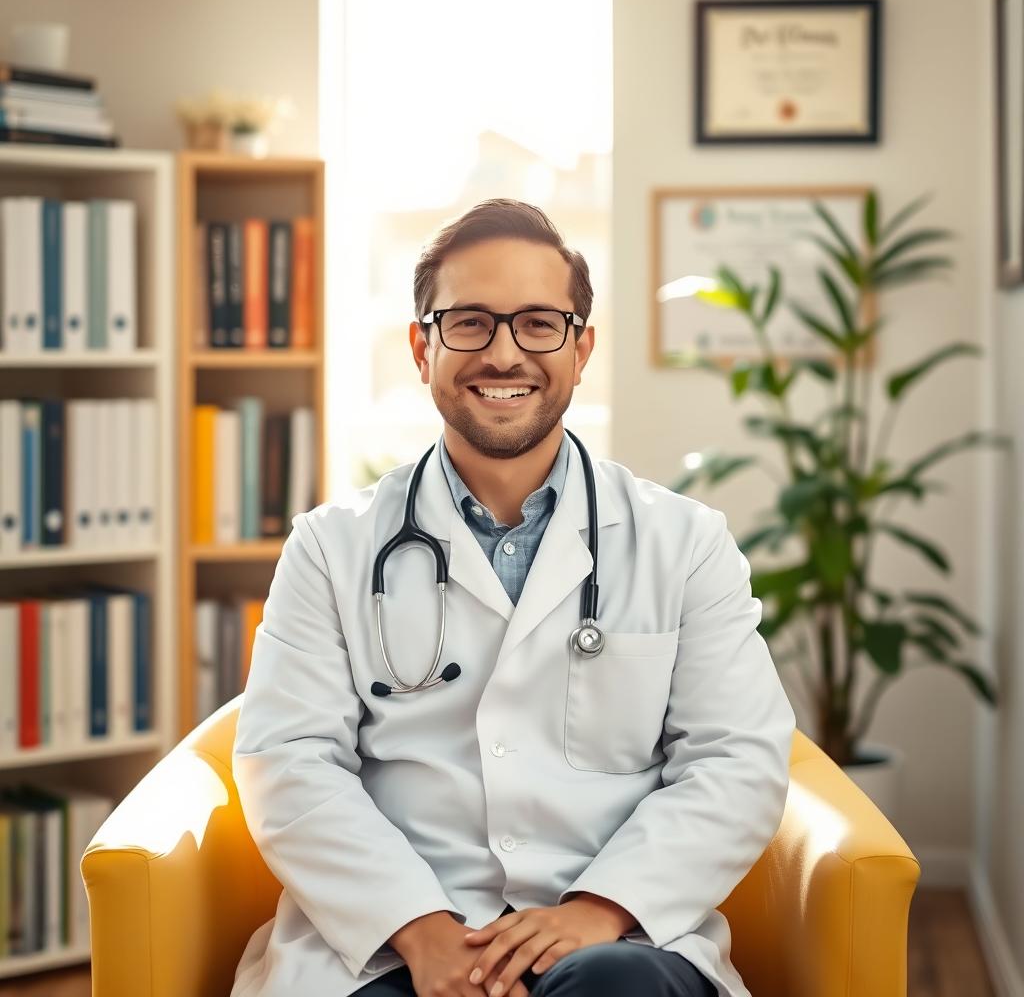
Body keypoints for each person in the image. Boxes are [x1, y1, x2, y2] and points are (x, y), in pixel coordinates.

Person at [229, 199, 796, 997]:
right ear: (421, 347)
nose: (503, 353)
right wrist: (424, 933)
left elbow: (736, 760)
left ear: (581, 347)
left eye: (538, 323)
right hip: (392, 943)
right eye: (468, 323)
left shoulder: (686, 543)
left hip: (615, 939)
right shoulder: (331, 548)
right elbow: (289, 762)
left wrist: (599, 909)